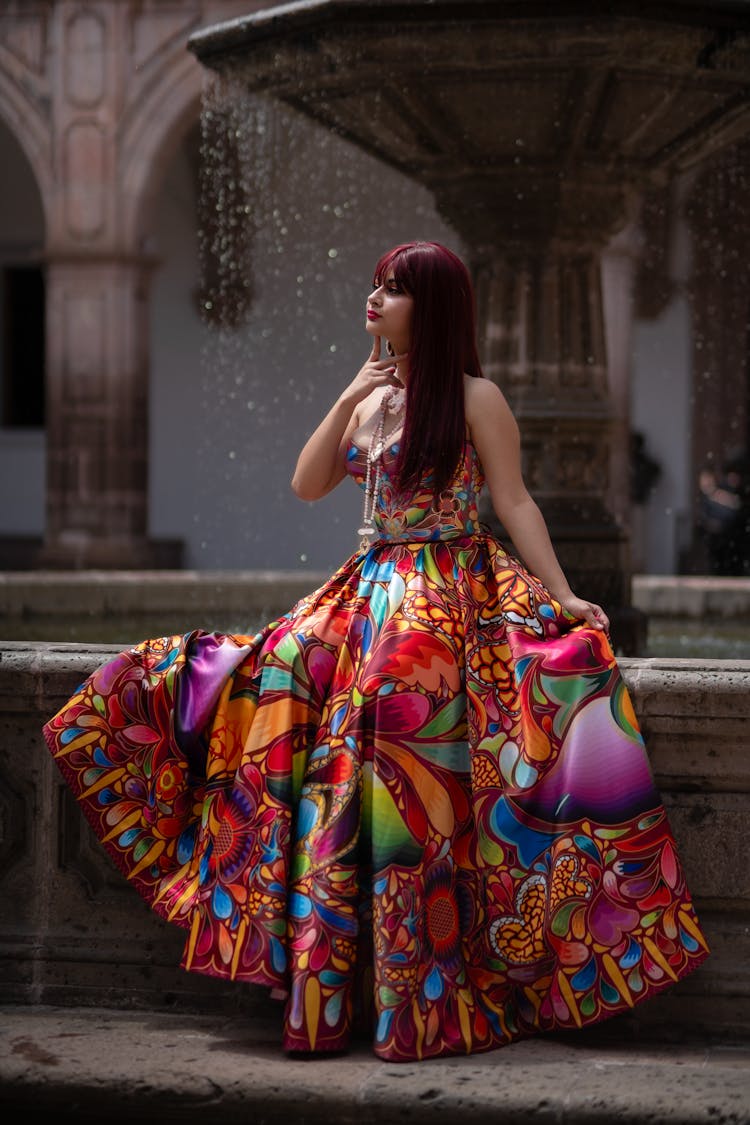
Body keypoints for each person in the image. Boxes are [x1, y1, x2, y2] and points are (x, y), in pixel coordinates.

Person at [43, 240, 708, 1063]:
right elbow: (307, 483)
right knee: (276, 667)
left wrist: (566, 594)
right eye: (378, 285)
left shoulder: (476, 397)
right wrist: (354, 388)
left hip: (449, 578)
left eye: (394, 290)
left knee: (401, 703)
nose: (376, 298)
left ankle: (421, 988)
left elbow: (515, 501)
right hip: (367, 582)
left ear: (431, 309)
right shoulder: (371, 401)